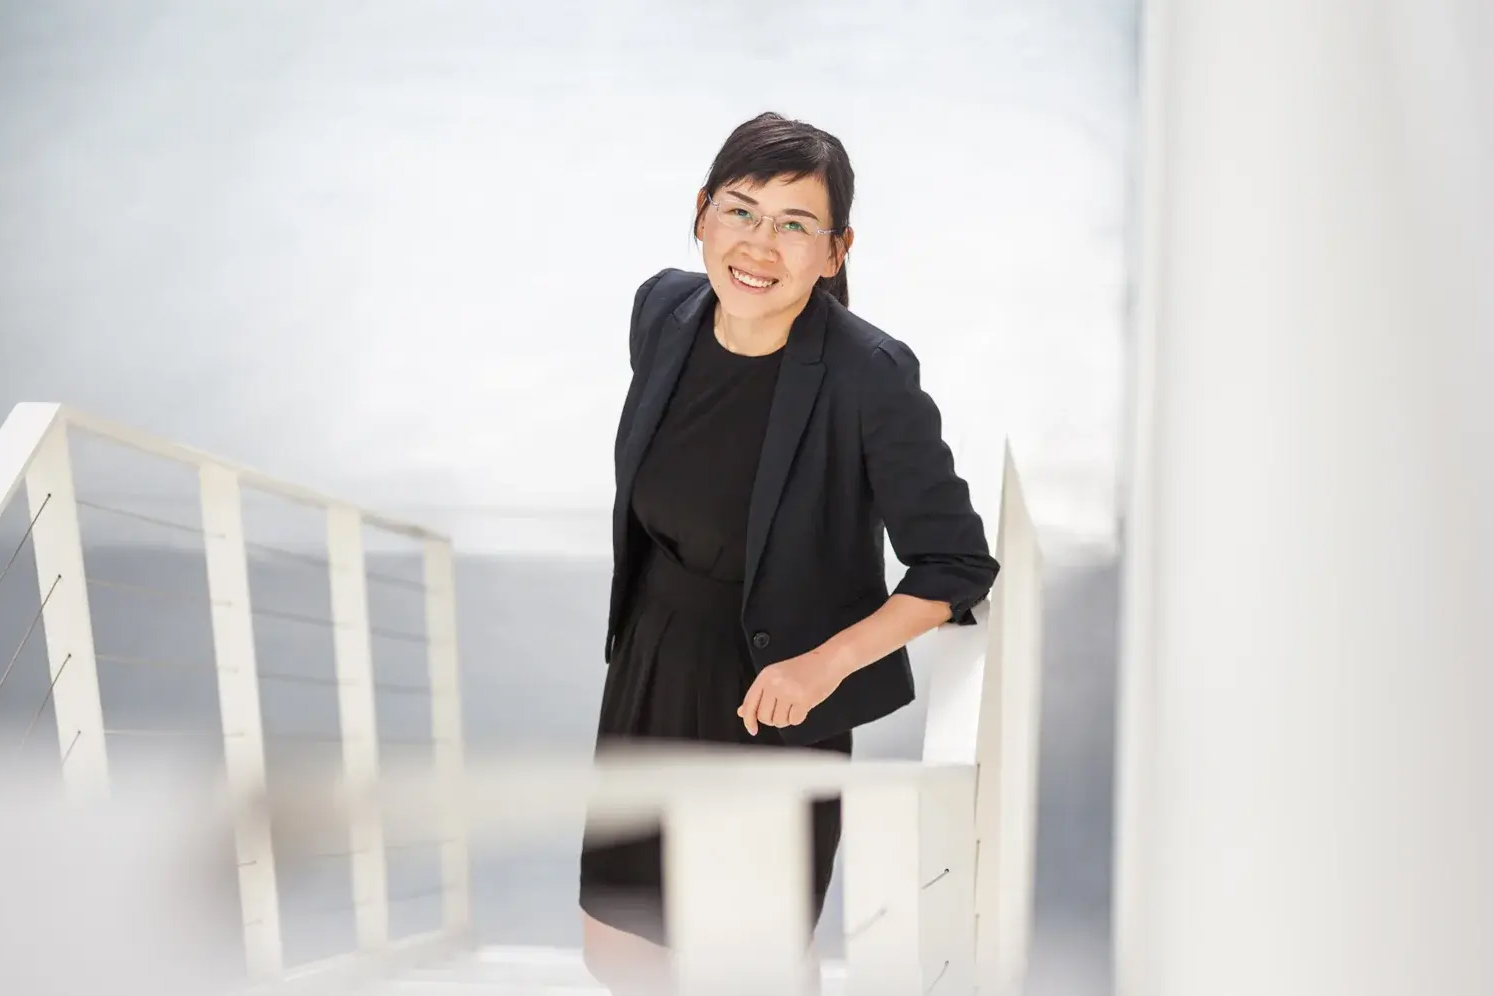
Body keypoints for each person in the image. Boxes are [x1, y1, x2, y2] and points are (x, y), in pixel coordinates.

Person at [577, 111, 1000, 994]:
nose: (759, 246)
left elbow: (955, 564)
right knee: (621, 944)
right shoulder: (662, 311)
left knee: (753, 959)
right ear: (702, 213)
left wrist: (825, 665)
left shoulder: (869, 376)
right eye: (741, 211)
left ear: (835, 251)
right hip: (652, 670)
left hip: (775, 698)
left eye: (795, 224)